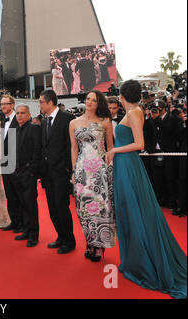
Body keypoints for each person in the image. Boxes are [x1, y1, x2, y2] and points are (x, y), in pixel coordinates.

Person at [106, 79, 187, 299]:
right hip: (126, 164)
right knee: (131, 211)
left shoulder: (133, 113)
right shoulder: (136, 111)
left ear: (122, 96)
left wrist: (114, 151)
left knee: (133, 211)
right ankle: (136, 259)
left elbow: (140, 144)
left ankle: (142, 262)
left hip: (128, 164)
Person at [69, 91, 115, 262]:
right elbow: (74, 149)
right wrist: (74, 171)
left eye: (93, 100)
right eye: (88, 99)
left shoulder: (105, 122)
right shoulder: (73, 123)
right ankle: (90, 242)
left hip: (99, 172)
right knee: (84, 209)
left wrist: (110, 170)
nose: (89, 102)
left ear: (98, 104)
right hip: (82, 171)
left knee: (100, 207)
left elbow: (110, 147)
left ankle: (100, 246)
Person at [40, 89, 76, 254]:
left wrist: (69, 167)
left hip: (61, 171)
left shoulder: (67, 118)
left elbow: (71, 146)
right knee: (52, 207)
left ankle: (69, 241)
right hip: (47, 173)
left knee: (62, 207)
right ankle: (61, 236)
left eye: (41, 102)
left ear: (50, 102)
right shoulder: (44, 121)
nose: (39, 105)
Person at [8, 105, 42, 246]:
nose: (20, 116)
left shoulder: (34, 128)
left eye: (23, 113)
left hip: (28, 173)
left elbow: (37, 151)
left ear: (29, 114)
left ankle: (34, 235)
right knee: (22, 204)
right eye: (18, 113)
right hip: (16, 172)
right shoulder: (15, 130)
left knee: (30, 204)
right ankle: (27, 230)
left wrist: (32, 170)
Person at [0, 96, 22, 233]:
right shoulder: (2, 122)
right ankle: (14, 221)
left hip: (17, 164)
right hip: (5, 163)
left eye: (5, 104)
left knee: (19, 194)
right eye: (1, 104)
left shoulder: (18, 119)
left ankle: (22, 223)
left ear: (12, 105)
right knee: (10, 194)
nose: (3, 106)